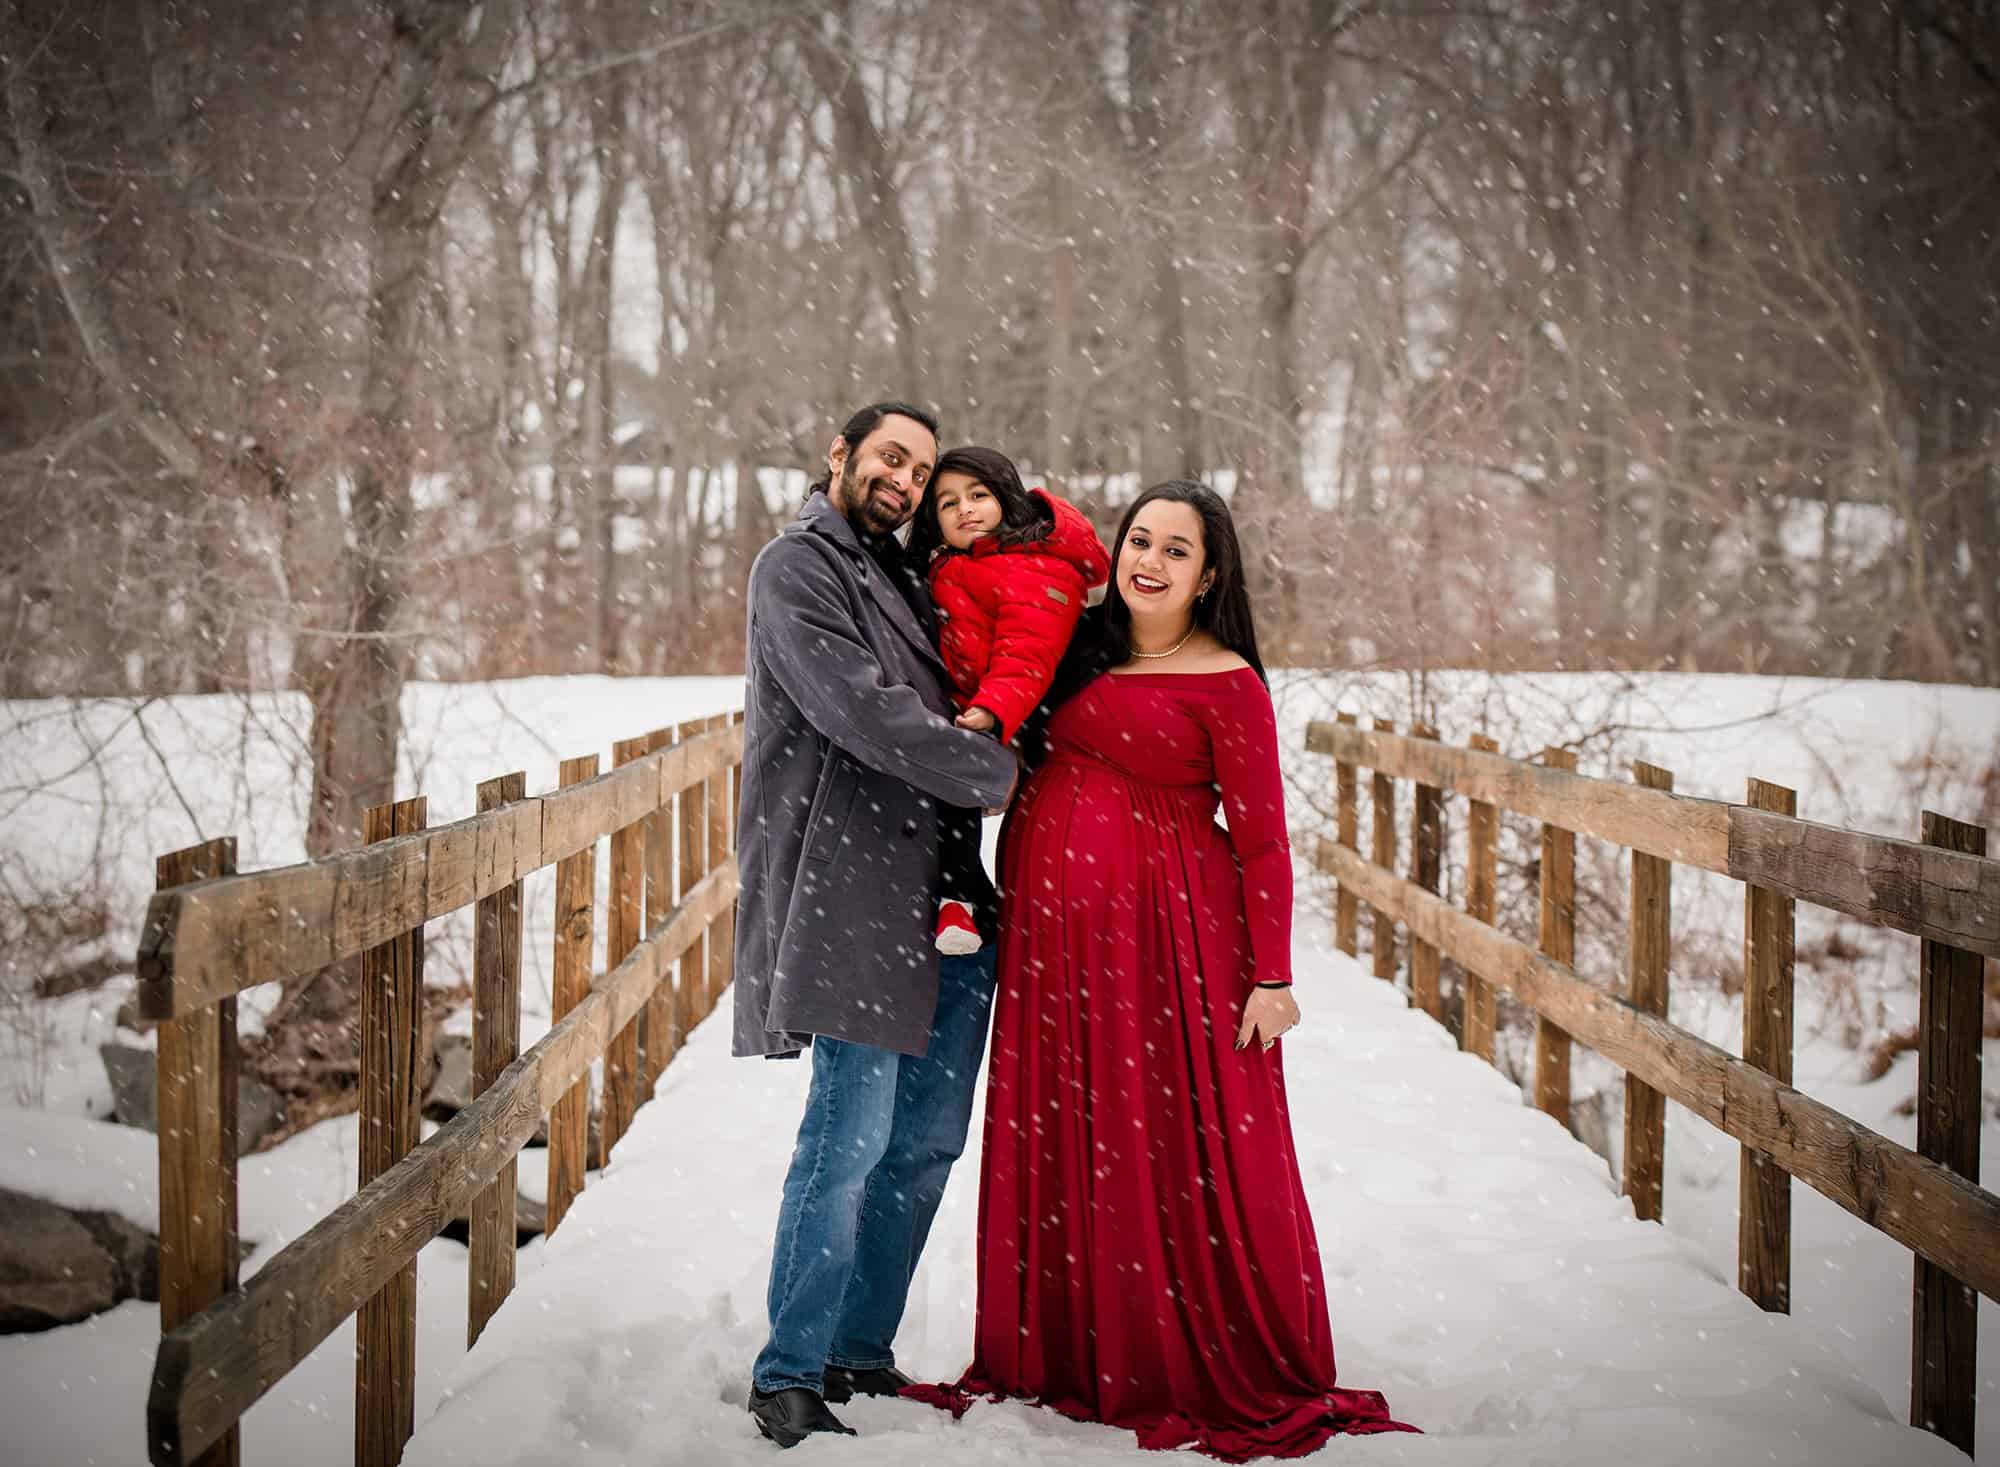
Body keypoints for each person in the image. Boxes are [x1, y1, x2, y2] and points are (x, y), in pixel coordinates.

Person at [913, 480, 1416, 1459]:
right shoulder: (1078, 642)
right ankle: (1066, 1350)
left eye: (1174, 550)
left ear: (1210, 573)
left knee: (1176, 1138)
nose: (1148, 560)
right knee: (1072, 1130)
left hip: (1172, 944)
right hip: (1057, 950)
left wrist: (1270, 978)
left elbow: (1264, 843)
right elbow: (1012, 597)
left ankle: (1172, 1351)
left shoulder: (1225, 681)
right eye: (1139, 539)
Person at [733, 401, 1019, 1448]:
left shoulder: (913, 576)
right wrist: (998, 771)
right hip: (851, 893)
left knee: (926, 1144)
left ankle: (860, 1348)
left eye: (924, 468)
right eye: (890, 457)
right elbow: (860, 710)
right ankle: (789, 1371)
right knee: (847, 1137)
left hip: (948, 901)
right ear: (839, 455)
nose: (906, 479)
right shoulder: (796, 568)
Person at [904, 446, 1109, 955]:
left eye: (978, 495)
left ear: (1007, 499)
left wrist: (994, 711)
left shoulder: (1036, 569)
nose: (965, 509)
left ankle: (982, 900)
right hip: (967, 706)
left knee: (1010, 813)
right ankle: (963, 900)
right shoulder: (954, 565)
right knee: (951, 802)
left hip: (1018, 713)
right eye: (948, 504)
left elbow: (1028, 655)